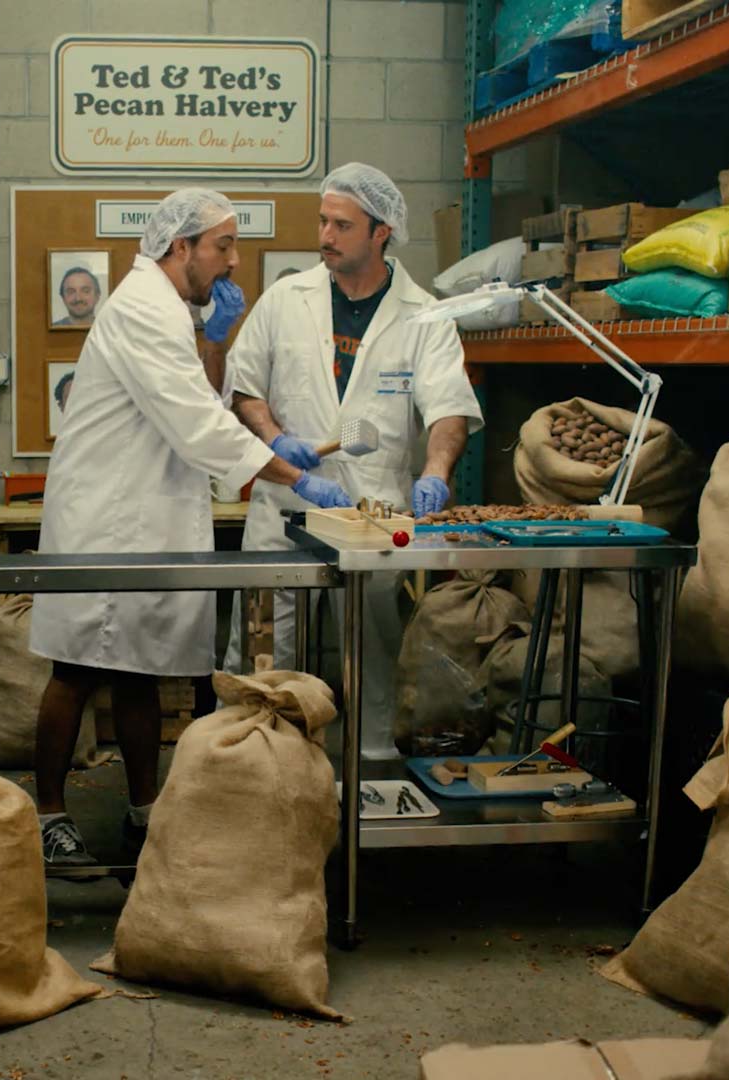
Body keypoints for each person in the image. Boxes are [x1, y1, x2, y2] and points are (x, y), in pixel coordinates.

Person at [30, 188, 353, 866]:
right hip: (106, 518)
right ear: (181, 248)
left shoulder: (171, 310)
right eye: (223, 247)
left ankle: (145, 811)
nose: (234, 262)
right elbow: (199, 423)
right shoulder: (144, 309)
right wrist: (292, 476)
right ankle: (49, 814)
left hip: (144, 515)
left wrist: (215, 341)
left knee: (142, 666)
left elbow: (199, 400)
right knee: (79, 667)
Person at [222, 163, 483, 760]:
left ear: (381, 231)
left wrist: (436, 471)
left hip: (374, 509)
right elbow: (243, 386)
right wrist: (274, 434)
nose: (326, 235)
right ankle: (253, 763)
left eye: (342, 224)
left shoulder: (424, 315)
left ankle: (372, 772)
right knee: (264, 645)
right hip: (286, 501)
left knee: (373, 647)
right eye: (323, 221)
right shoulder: (288, 298)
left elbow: (448, 410)